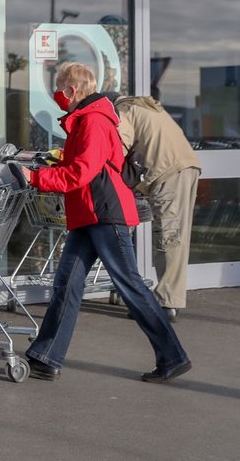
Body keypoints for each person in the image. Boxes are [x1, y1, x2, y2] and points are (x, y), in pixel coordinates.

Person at [18, 62, 190, 383]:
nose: (56, 93)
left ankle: (173, 356)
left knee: (130, 285)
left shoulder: (94, 120)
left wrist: (36, 178)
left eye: (59, 87)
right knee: (67, 284)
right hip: (90, 214)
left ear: (72, 90)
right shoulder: (85, 119)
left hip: (104, 214)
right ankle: (47, 356)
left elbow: (82, 171)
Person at [105, 93, 201, 322]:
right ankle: (166, 298)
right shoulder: (144, 106)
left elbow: (119, 145)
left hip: (168, 173)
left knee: (169, 237)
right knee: (176, 236)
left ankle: (165, 303)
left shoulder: (125, 109)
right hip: (184, 166)